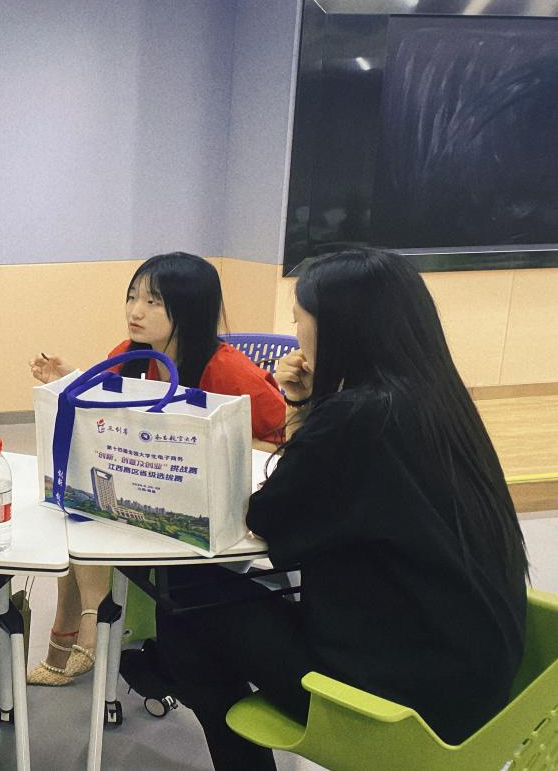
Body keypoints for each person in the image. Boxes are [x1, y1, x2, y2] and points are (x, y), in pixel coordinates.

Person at [121, 247, 528, 769]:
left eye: (299, 322)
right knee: (200, 610)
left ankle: (180, 679)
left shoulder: (359, 417)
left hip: (398, 700)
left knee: (184, 597)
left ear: (336, 327)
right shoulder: (437, 400)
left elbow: (268, 517)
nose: (297, 338)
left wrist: (306, 408)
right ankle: (169, 667)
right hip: (477, 673)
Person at [26, 252, 286, 687]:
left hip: (208, 507)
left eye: (153, 302)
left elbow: (282, 441)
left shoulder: (229, 370)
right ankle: (77, 630)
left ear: (190, 307)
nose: (135, 311)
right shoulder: (130, 354)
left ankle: (86, 633)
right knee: (76, 515)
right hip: (147, 490)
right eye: (132, 297)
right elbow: (107, 413)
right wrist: (71, 379)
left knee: (89, 526)